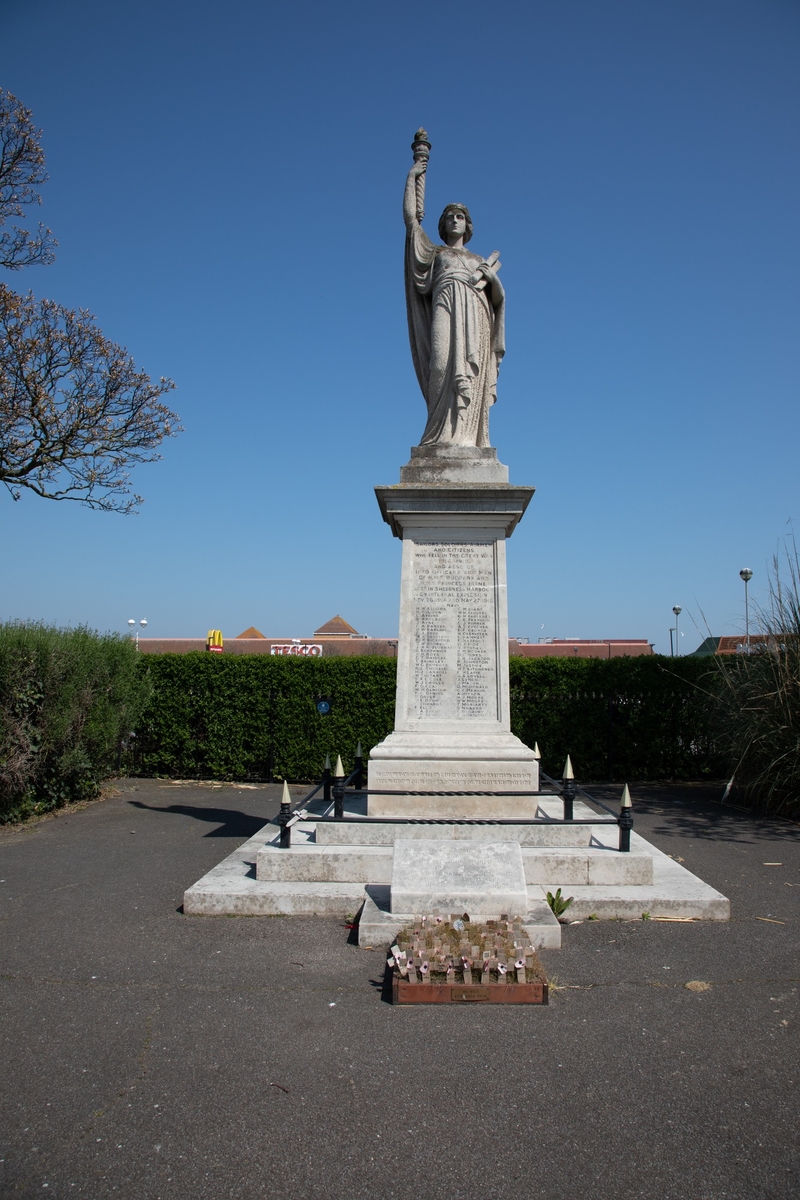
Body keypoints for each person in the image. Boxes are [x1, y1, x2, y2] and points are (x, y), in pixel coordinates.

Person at [404, 157, 505, 448]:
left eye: (459, 217)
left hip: (475, 315)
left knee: (470, 373)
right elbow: (411, 223)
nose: (454, 220)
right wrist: (413, 176)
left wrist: (493, 280)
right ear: (442, 224)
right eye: (449, 217)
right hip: (445, 303)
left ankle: (467, 437)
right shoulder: (435, 254)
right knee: (440, 362)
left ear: (468, 224)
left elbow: (498, 300)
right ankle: (438, 434)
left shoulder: (477, 261)